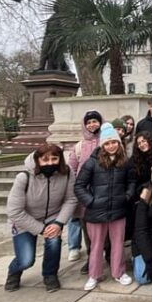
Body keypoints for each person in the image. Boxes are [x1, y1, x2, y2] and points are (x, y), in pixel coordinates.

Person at [4, 144, 77, 292]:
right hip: (25, 220)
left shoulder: (67, 173)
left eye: (54, 159)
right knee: (26, 260)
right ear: (38, 160)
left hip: (52, 216)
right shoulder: (23, 177)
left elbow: (71, 199)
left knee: (54, 241)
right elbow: (14, 211)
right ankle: (14, 270)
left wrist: (59, 223)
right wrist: (41, 229)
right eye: (45, 159)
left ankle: (50, 274)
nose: (50, 163)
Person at [74, 122, 136, 290]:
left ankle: (119, 272)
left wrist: (127, 197)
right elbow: (79, 186)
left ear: (119, 143)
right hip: (96, 211)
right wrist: (90, 201)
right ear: (102, 145)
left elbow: (131, 181)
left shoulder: (125, 162)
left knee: (118, 243)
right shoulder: (92, 162)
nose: (111, 146)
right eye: (107, 143)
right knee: (96, 245)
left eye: (114, 142)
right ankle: (94, 274)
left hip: (118, 209)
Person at [67, 110, 102, 264]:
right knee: (87, 228)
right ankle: (91, 258)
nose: (92, 125)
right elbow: (72, 170)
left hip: (103, 191)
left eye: (95, 121)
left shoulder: (106, 142)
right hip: (85, 194)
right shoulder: (79, 146)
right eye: (89, 122)